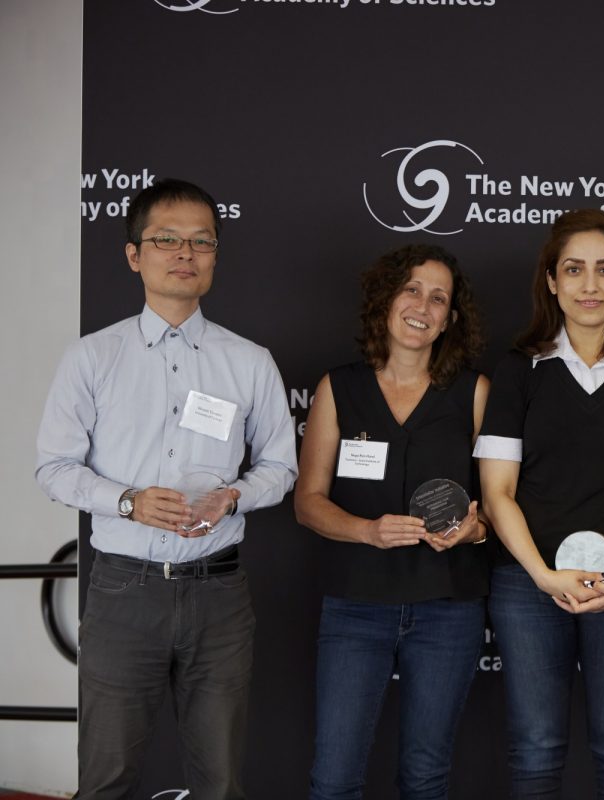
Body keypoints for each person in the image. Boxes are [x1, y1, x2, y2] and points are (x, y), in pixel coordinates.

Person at [35, 178, 298, 799]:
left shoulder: (249, 360)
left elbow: (281, 468)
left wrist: (234, 496)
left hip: (218, 594)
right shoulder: (92, 357)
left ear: (215, 255)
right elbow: (54, 468)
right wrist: (127, 501)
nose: (186, 253)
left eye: (202, 241)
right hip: (124, 592)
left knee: (220, 782)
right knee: (105, 778)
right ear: (135, 255)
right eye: (167, 240)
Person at [475, 208, 604, 799]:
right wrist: (542, 575)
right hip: (529, 585)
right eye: (573, 270)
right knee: (536, 751)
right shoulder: (519, 371)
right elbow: (497, 493)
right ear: (551, 281)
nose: (589, 285)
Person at [294, 244, 491, 800]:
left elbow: (500, 503)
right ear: (386, 300)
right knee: (334, 779)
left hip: (447, 608)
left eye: (438, 298)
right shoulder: (339, 388)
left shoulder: (475, 393)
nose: (422, 307)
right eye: (411, 290)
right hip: (356, 606)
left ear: (449, 319)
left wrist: (477, 529)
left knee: (426, 777)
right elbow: (307, 501)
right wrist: (367, 531)